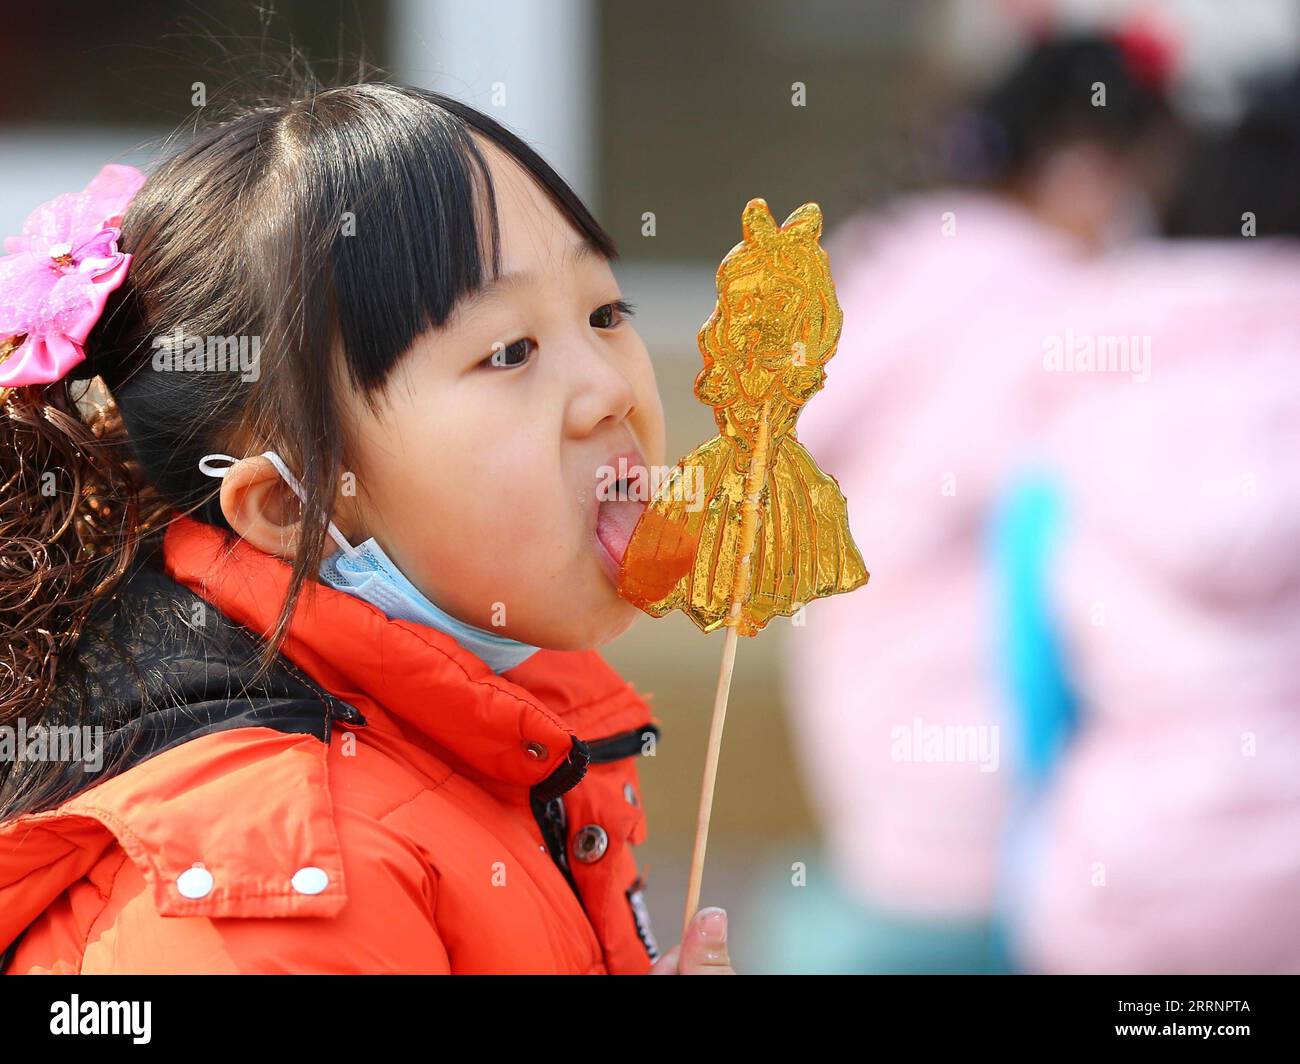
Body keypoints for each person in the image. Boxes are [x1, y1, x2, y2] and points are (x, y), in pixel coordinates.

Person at [0, 79, 734, 974]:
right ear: (288, 505)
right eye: (508, 351)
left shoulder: (509, 719)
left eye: (605, 313)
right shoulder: (277, 888)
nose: (612, 389)